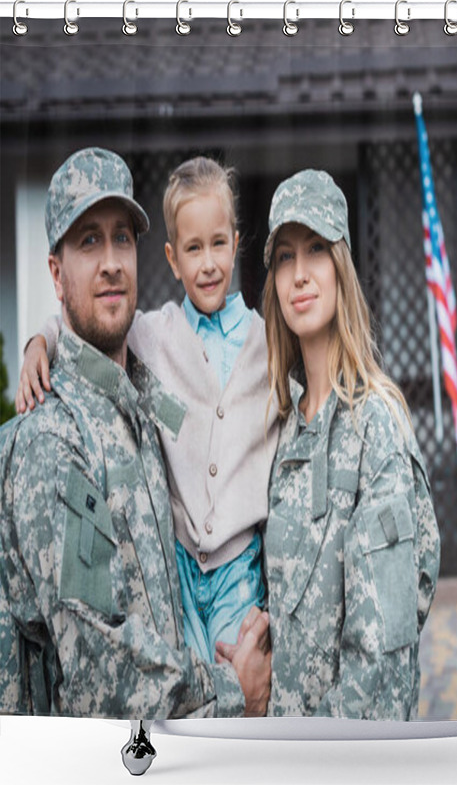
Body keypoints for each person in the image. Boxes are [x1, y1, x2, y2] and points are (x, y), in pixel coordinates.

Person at [0, 147, 271, 718]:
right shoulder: (54, 440)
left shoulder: (140, 398)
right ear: (56, 272)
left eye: (121, 238)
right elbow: (101, 664)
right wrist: (234, 690)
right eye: (88, 241)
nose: (110, 263)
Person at [217, 169, 440, 719]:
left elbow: (380, 665)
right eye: (285, 256)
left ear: (340, 267)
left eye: (316, 249)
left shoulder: (374, 424)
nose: (299, 274)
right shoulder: (285, 424)